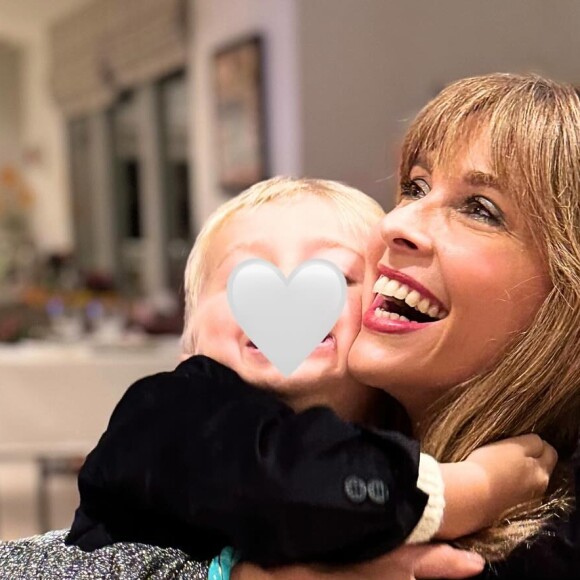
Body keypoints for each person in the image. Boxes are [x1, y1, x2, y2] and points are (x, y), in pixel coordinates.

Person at [65, 177, 553, 567]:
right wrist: (474, 489)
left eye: (335, 276)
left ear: (384, 318)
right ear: (189, 336)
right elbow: (285, 483)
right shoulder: (167, 412)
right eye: (245, 277)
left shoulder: (396, 429)